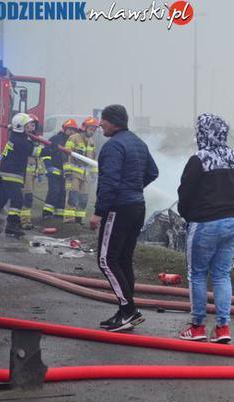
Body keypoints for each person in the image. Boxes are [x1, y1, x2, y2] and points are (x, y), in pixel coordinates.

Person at [177, 113, 234, 343]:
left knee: (197, 274)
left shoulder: (199, 159)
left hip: (205, 223)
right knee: (221, 275)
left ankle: (197, 327)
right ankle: (223, 328)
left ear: (203, 132)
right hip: (232, 223)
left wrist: (186, 215)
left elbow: (185, 192)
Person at [90, 104, 158, 332]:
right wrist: (135, 187)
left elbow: (109, 182)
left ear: (114, 121)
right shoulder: (138, 143)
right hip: (137, 207)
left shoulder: (112, 147)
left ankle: (129, 311)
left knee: (106, 260)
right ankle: (124, 310)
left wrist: (99, 213)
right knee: (123, 259)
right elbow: (153, 172)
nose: (100, 124)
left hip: (118, 209)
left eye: (104, 120)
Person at [0, 113, 36, 237]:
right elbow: (35, 151)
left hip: (4, 173)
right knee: (17, 200)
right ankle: (12, 226)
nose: (31, 127)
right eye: (28, 125)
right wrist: (52, 148)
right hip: (12, 175)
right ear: (21, 127)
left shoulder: (15, 137)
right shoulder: (21, 141)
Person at [64, 117, 98, 223]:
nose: (92, 131)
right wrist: (68, 172)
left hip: (86, 174)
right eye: (91, 129)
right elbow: (66, 155)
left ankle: (79, 220)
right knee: (73, 196)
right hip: (74, 172)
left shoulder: (91, 142)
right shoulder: (73, 138)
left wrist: (94, 174)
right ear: (84, 127)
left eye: (94, 129)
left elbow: (92, 159)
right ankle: (69, 219)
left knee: (84, 198)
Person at [42, 119, 78, 219]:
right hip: (54, 171)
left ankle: (59, 214)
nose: (72, 132)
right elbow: (45, 153)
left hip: (66, 173)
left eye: (74, 130)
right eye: (70, 129)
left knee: (62, 193)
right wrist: (49, 166)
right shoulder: (55, 139)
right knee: (54, 191)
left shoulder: (73, 142)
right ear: (65, 129)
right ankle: (47, 213)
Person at [20, 114, 47, 230]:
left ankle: (25, 219)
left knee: (28, 198)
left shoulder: (36, 139)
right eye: (30, 124)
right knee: (27, 197)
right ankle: (24, 221)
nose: (32, 126)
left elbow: (39, 159)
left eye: (34, 124)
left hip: (33, 174)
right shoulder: (23, 138)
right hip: (24, 173)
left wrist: (41, 172)